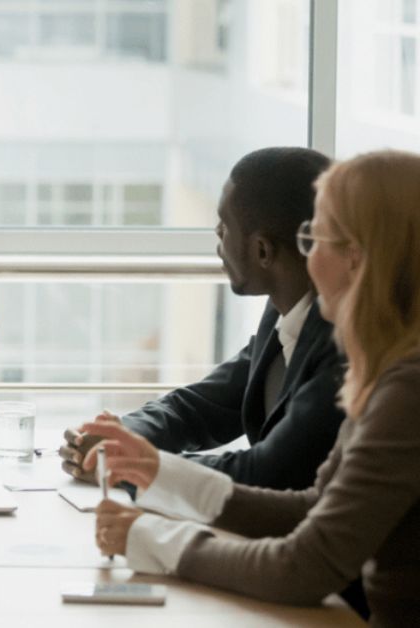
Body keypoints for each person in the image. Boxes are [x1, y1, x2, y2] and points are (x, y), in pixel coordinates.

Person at [86, 150, 420, 626]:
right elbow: (313, 507)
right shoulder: (393, 367)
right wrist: (156, 471)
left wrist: (150, 540)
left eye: (314, 237)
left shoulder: (407, 388)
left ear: (357, 258)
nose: (307, 255)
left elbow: (304, 566)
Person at [60, 147, 344, 490]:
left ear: (263, 251)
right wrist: (123, 437)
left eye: (224, 225)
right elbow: (202, 406)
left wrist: (131, 467)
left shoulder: (343, 344)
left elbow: (268, 472)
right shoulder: (284, 311)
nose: (217, 234)